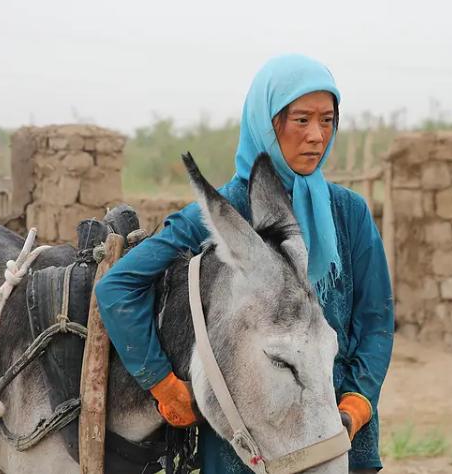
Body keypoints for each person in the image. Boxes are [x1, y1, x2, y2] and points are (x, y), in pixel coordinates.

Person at [95, 54, 394, 473]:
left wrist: (357, 404)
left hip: (339, 439)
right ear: (268, 123)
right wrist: (163, 384)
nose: (316, 136)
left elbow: (376, 321)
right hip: (247, 450)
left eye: (327, 120)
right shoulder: (223, 214)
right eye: (302, 120)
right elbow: (118, 286)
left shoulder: (350, 214)